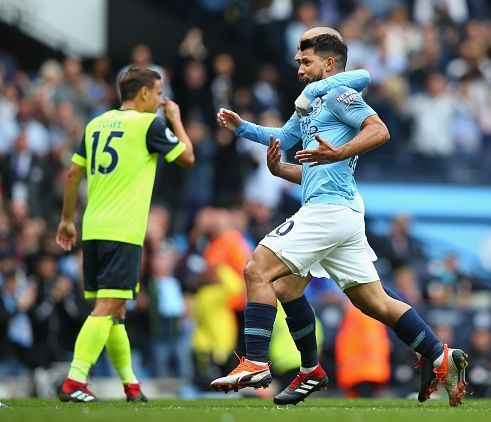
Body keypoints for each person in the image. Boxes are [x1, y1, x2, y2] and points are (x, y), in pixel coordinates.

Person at [211, 30, 469, 407]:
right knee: (368, 301)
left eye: (306, 61)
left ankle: (255, 362)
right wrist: (243, 129)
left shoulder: (338, 94)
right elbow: (283, 137)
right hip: (337, 210)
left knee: (257, 270)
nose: (299, 68)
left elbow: (379, 130)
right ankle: (440, 356)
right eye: (298, 62)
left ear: (329, 64)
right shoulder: (312, 104)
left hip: (329, 211)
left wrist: (340, 152)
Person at [55, 66, 195, 403]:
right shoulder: (150, 124)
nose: (162, 100)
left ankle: (132, 386)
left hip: (92, 228)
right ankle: (75, 379)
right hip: (123, 231)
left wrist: (66, 220)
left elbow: (74, 172)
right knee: (107, 307)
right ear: (144, 93)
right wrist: (175, 119)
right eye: (159, 93)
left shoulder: (95, 123)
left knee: (115, 312)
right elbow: (188, 158)